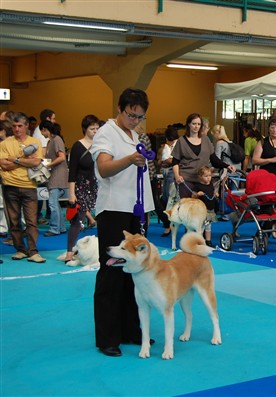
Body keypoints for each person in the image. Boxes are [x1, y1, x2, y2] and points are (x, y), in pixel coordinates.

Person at [90, 88, 154, 357]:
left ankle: (130, 330)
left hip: (136, 210)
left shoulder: (134, 134)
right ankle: (107, 337)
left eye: (140, 117)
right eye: (131, 115)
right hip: (114, 209)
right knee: (112, 273)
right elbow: (104, 168)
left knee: (136, 273)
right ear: (120, 108)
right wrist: (129, 159)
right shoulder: (106, 133)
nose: (135, 120)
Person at [0, 112, 46, 263]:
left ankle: (33, 251)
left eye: (20, 126)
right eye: (14, 126)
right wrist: (24, 160)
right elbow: (4, 165)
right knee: (14, 221)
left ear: (26, 126)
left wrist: (16, 159)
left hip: (29, 186)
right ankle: (20, 249)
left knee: (31, 221)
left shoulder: (35, 142)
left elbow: (36, 162)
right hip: (10, 186)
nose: (17, 129)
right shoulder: (5, 143)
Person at [171, 113, 235, 199]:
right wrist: (177, 176)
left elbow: (214, 159)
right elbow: (175, 161)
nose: (196, 126)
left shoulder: (206, 139)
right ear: (189, 124)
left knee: (205, 206)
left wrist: (227, 166)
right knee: (188, 206)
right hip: (186, 179)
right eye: (194, 124)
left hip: (203, 180)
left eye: (198, 124)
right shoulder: (181, 141)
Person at [64, 115, 99, 263]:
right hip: (80, 185)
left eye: (97, 128)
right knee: (77, 221)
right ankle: (69, 252)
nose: (95, 131)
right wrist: (71, 193)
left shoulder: (100, 145)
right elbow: (72, 172)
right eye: (92, 129)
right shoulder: (78, 146)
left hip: (96, 185)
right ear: (85, 129)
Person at [138, 129, 171, 235]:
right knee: (147, 204)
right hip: (144, 175)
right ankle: (144, 226)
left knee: (154, 203)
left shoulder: (141, 138)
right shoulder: (141, 137)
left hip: (148, 175)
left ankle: (167, 222)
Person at [40, 121, 68, 237]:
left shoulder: (56, 140)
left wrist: (47, 165)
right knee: (55, 203)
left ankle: (55, 228)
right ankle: (60, 227)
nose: (41, 133)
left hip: (58, 175)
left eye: (42, 130)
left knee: (52, 203)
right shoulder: (52, 141)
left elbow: (61, 157)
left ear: (45, 129)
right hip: (56, 175)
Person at [158, 126, 179, 237]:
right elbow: (162, 160)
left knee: (170, 199)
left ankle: (169, 225)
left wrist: (168, 161)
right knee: (165, 198)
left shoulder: (178, 145)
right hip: (167, 175)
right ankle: (169, 223)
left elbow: (171, 160)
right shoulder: (166, 146)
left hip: (173, 175)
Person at [193, 165, 218, 246]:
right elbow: (192, 196)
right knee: (200, 227)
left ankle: (208, 241)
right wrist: (197, 194)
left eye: (210, 176)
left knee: (208, 227)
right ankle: (200, 241)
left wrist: (215, 193)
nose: (208, 178)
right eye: (206, 176)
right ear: (200, 177)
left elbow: (212, 191)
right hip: (201, 211)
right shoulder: (197, 186)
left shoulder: (210, 184)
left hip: (210, 209)